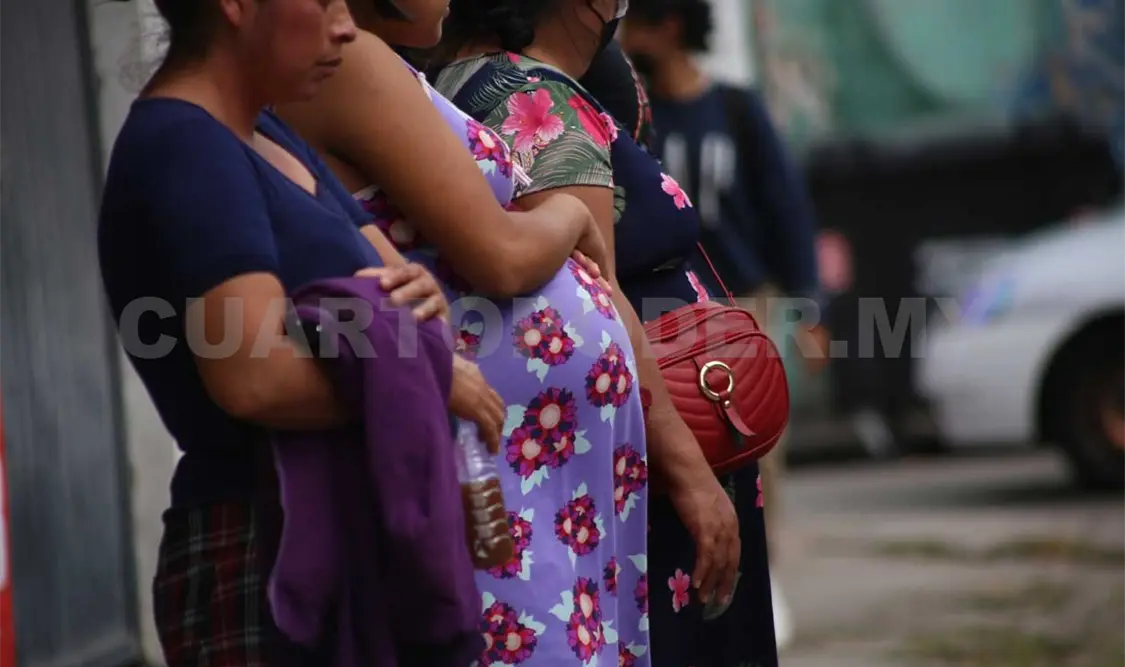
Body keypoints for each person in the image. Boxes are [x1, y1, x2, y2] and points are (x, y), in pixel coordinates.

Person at [274, 2, 703, 665]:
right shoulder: (356, 62)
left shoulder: (383, 65)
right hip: (506, 453)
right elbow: (499, 256)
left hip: (538, 457)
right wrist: (566, 215)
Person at [97, 1, 504, 665]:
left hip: (342, 539)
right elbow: (254, 378)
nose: (345, 26)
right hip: (266, 548)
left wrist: (418, 321)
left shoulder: (262, 131)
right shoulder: (184, 145)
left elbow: (400, 289)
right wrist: (425, 376)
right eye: (324, 1)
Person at [433, 2, 771, 665]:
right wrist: (694, 479)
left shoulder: (475, 84)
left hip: (629, 442)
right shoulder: (529, 97)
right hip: (647, 455)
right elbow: (600, 292)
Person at [620, 0, 828, 648]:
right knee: (681, 447)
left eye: (637, 20)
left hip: (742, 307)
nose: (622, 34)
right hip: (665, 312)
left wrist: (809, 309)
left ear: (671, 26)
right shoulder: (630, 111)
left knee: (753, 451)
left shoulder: (734, 108)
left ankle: (762, 577)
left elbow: (786, 209)